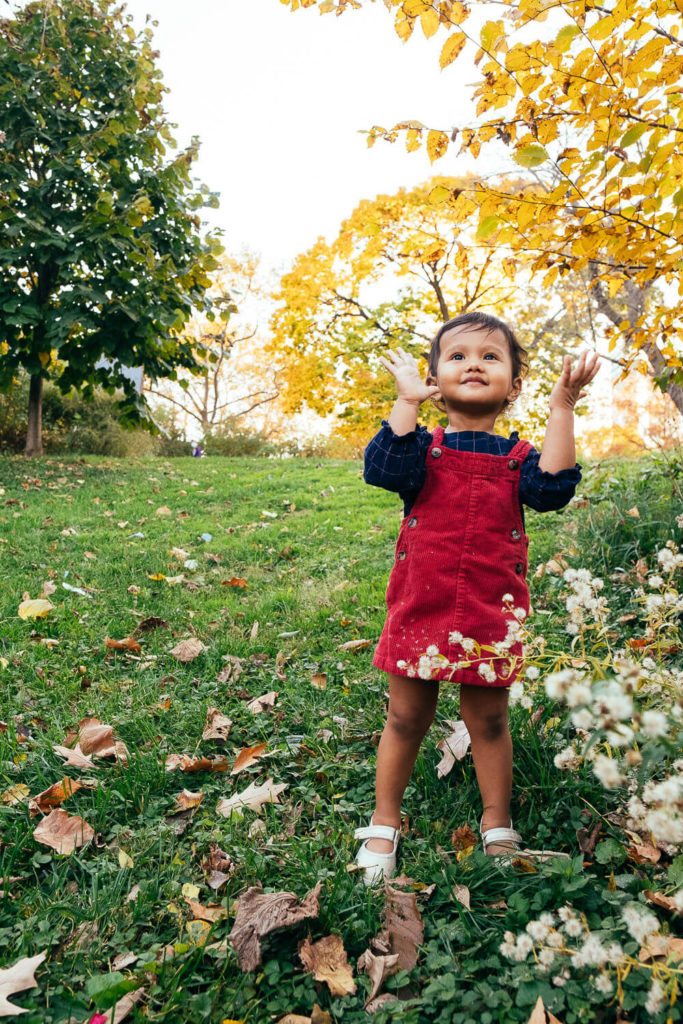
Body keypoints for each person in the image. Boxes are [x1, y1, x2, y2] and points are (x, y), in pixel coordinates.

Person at [354, 310, 600, 885]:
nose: (473, 364)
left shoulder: (519, 461)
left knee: (489, 721)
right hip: (423, 602)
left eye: (490, 357)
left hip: (491, 607)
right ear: (436, 379)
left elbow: (554, 490)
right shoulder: (420, 449)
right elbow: (383, 467)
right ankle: (384, 823)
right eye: (458, 355)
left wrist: (562, 407)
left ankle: (497, 825)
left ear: (513, 385)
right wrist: (407, 403)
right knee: (405, 715)